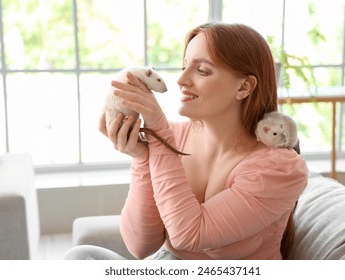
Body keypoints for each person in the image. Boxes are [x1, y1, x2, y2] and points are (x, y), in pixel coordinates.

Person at [63, 22, 308, 260]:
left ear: (244, 87)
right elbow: (140, 246)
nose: (181, 80)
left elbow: (187, 235)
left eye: (201, 70)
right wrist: (142, 158)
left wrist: (159, 132)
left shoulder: (279, 167)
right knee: (81, 257)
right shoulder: (174, 136)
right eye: (184, 67)